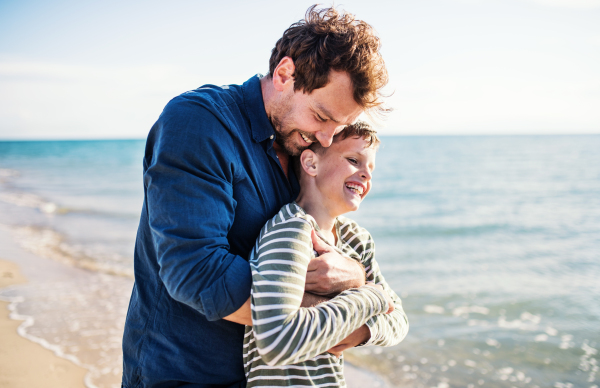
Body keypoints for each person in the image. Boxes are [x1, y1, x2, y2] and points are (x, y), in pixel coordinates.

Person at [122, 5, 392, 388]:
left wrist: (357, 279)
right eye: (321, 116)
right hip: (182, 373)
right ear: (284, 74)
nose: (328, 138)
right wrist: (339, 312)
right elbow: (195, 270)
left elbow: (339, 255)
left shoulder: (303, 148)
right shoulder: (199, 123)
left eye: (340, 126)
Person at [243, 123, 408, 387]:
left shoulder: (357, 239)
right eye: (354, 160)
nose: (366, 175)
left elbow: (399, 319)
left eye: (371, 169)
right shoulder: (292, 230)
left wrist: (363, 330)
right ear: (311, 163)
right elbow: (276, 341)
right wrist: (370, 296)